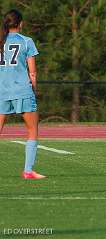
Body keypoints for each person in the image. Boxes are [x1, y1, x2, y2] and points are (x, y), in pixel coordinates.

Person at [0, 9, 45, 179]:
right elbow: (32, 72)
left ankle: (29, 171)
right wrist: (34, 89)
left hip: (2, 91)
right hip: (22, 91)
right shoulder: (27, 41)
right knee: (32, 130)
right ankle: (28, 170)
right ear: (20, 23)